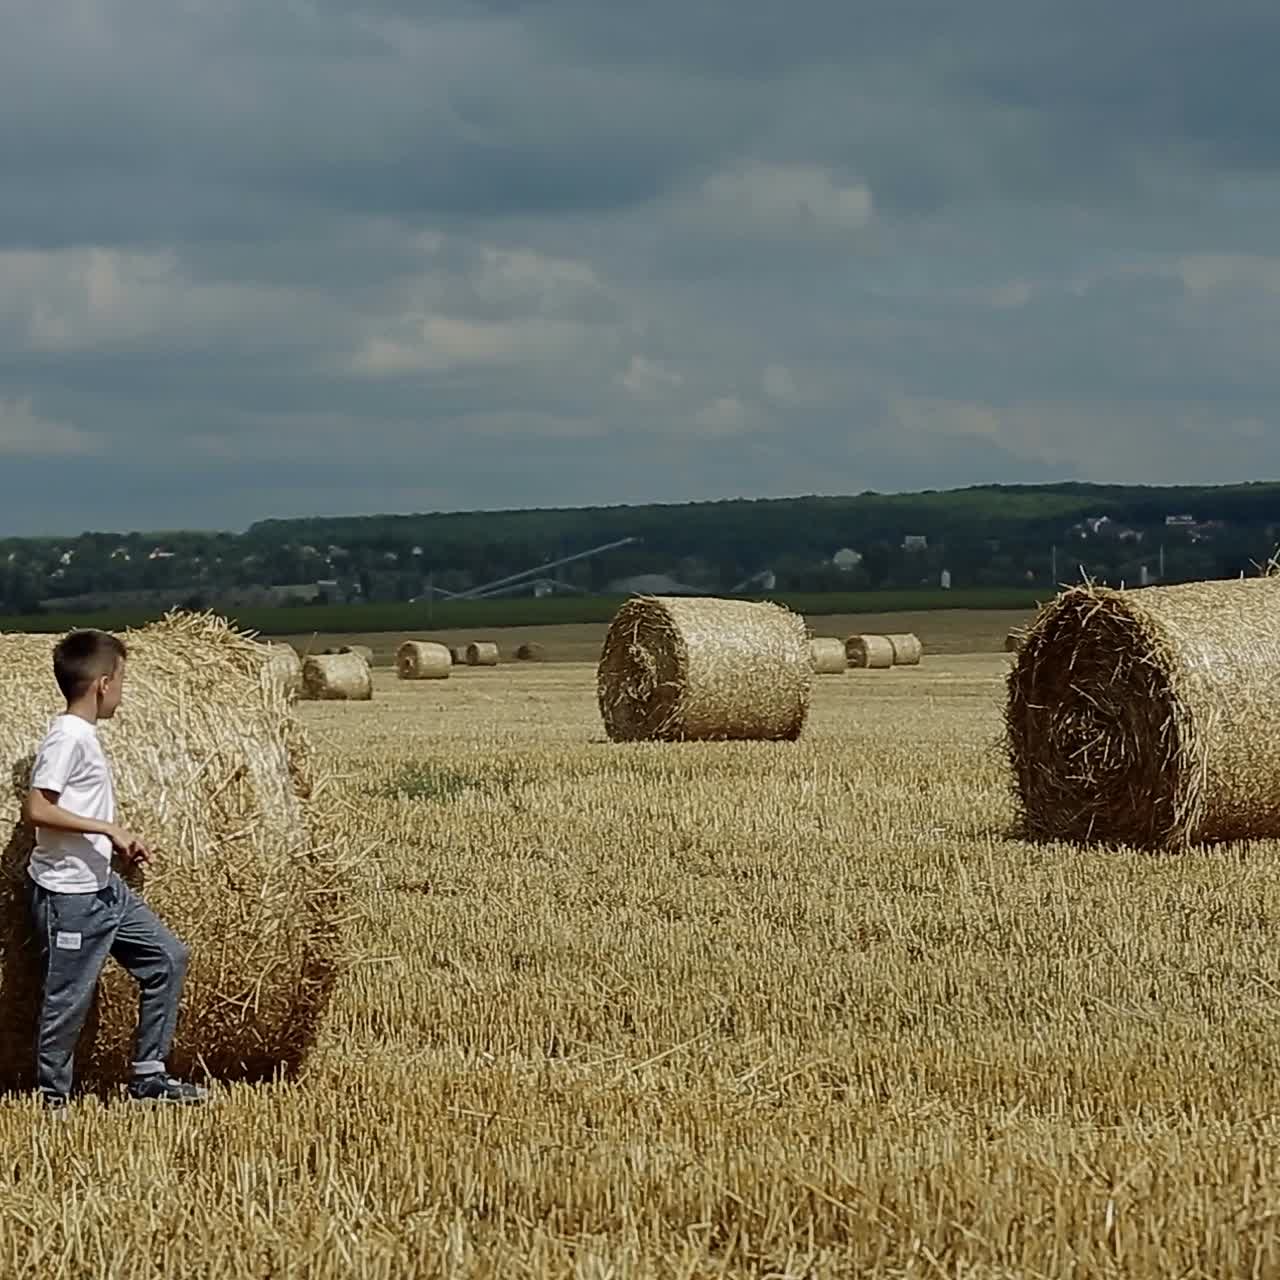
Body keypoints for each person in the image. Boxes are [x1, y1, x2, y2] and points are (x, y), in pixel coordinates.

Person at [23, 629, 208, 1110]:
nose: (124, 691)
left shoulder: (82, 736)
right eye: (122, 679)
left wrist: (116, 841)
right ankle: (53, 1101)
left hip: (102, 887)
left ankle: (149, 1077)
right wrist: (107, 829)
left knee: (167, 958)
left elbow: (75, 807)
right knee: (68, 1001)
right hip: (70, 898)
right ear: (103, 684)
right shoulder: (66, 736)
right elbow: (37, 808)